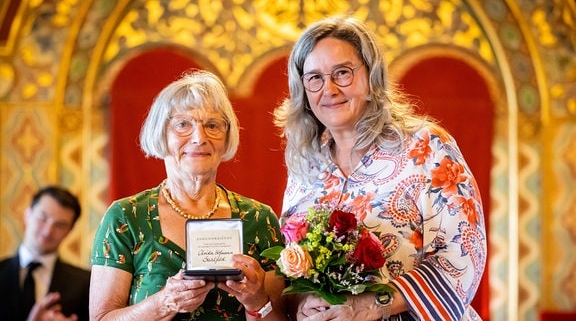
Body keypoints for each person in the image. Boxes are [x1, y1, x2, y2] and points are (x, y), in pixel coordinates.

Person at [273, 16, 487, 320]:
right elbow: (292, 264)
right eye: (314, 78)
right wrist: (305, 302)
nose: (329, 89)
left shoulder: (426, 146)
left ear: (372, 78)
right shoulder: (305, 163)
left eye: (342, 73)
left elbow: (463, 255)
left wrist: (371, 304)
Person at [90, 70, 287, 320]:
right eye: (183, 124)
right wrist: (163, 303)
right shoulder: (125, 217)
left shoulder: (259, 218)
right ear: (162, 134)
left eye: (212, 125)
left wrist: (257, 301)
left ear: (226, 138)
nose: (199, 138)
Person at [0, 186, 90, 321]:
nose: (48, 231)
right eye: (42, 218)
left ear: (69, 231)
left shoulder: (85, 283)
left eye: (60, 225)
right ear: (27, 214)